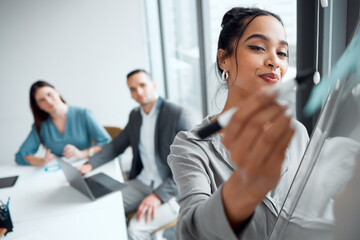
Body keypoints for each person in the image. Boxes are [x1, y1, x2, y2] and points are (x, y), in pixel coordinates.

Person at [167, 7, 309, 240]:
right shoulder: (191, 147)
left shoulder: (296, 133)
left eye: (282, 52)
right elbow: (190, 232)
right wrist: (246, 185)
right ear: (224, 59)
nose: (274, 61)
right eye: (258, 48)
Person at [77, 69, 196, 240]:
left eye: (142, 85)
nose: (138, 92)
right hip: (144, 181)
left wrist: (158, 195)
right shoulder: (135, 116)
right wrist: (89, 165)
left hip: (175, 190)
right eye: (132, 89)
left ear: (153, 85)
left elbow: (191, 165)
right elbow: (115, 146)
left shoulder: (178, 114)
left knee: (135, 230)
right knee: (104, 207)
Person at [15, 81, 111, 165]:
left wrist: (82, 154)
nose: (48, 101)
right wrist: (42, 161)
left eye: (49, 94)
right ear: (39, 106)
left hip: (87, 166)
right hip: (59, 172)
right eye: (42, 100)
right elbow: (20, 156)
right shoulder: (41, 125)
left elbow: (107, 144)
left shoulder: (83, 114)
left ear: (56, 92)